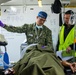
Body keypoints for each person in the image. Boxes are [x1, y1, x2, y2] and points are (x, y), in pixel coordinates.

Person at [0, 11, 76, 75]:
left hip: (43, 51)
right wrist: (3, 26)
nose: (42, 22)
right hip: (31, 51)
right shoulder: (28, 27)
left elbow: (49, 46)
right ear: (37, 17)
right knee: (31, 62)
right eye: (41, 20)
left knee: (53, 63)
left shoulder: (47, 31)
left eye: (44, 20)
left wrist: (41, 47)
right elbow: (15, 29)